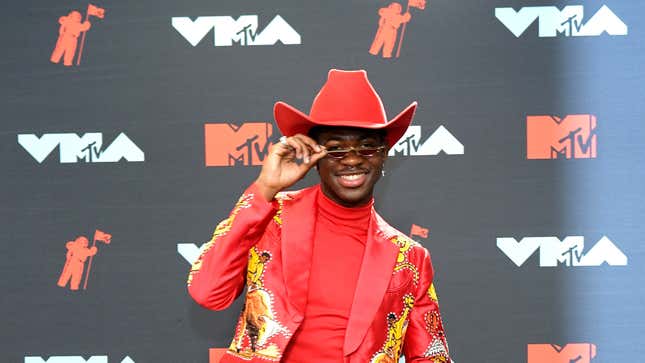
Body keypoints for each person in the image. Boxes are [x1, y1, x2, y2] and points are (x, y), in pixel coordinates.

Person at [187, 69, 452, 363]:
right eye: (336, 149)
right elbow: (208, 292)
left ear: (384, 154)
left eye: (366, 146)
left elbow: (430, 356)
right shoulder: (270, 218)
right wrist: (264, 188)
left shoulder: (410, 258)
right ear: (315, 156)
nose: (352, 159)